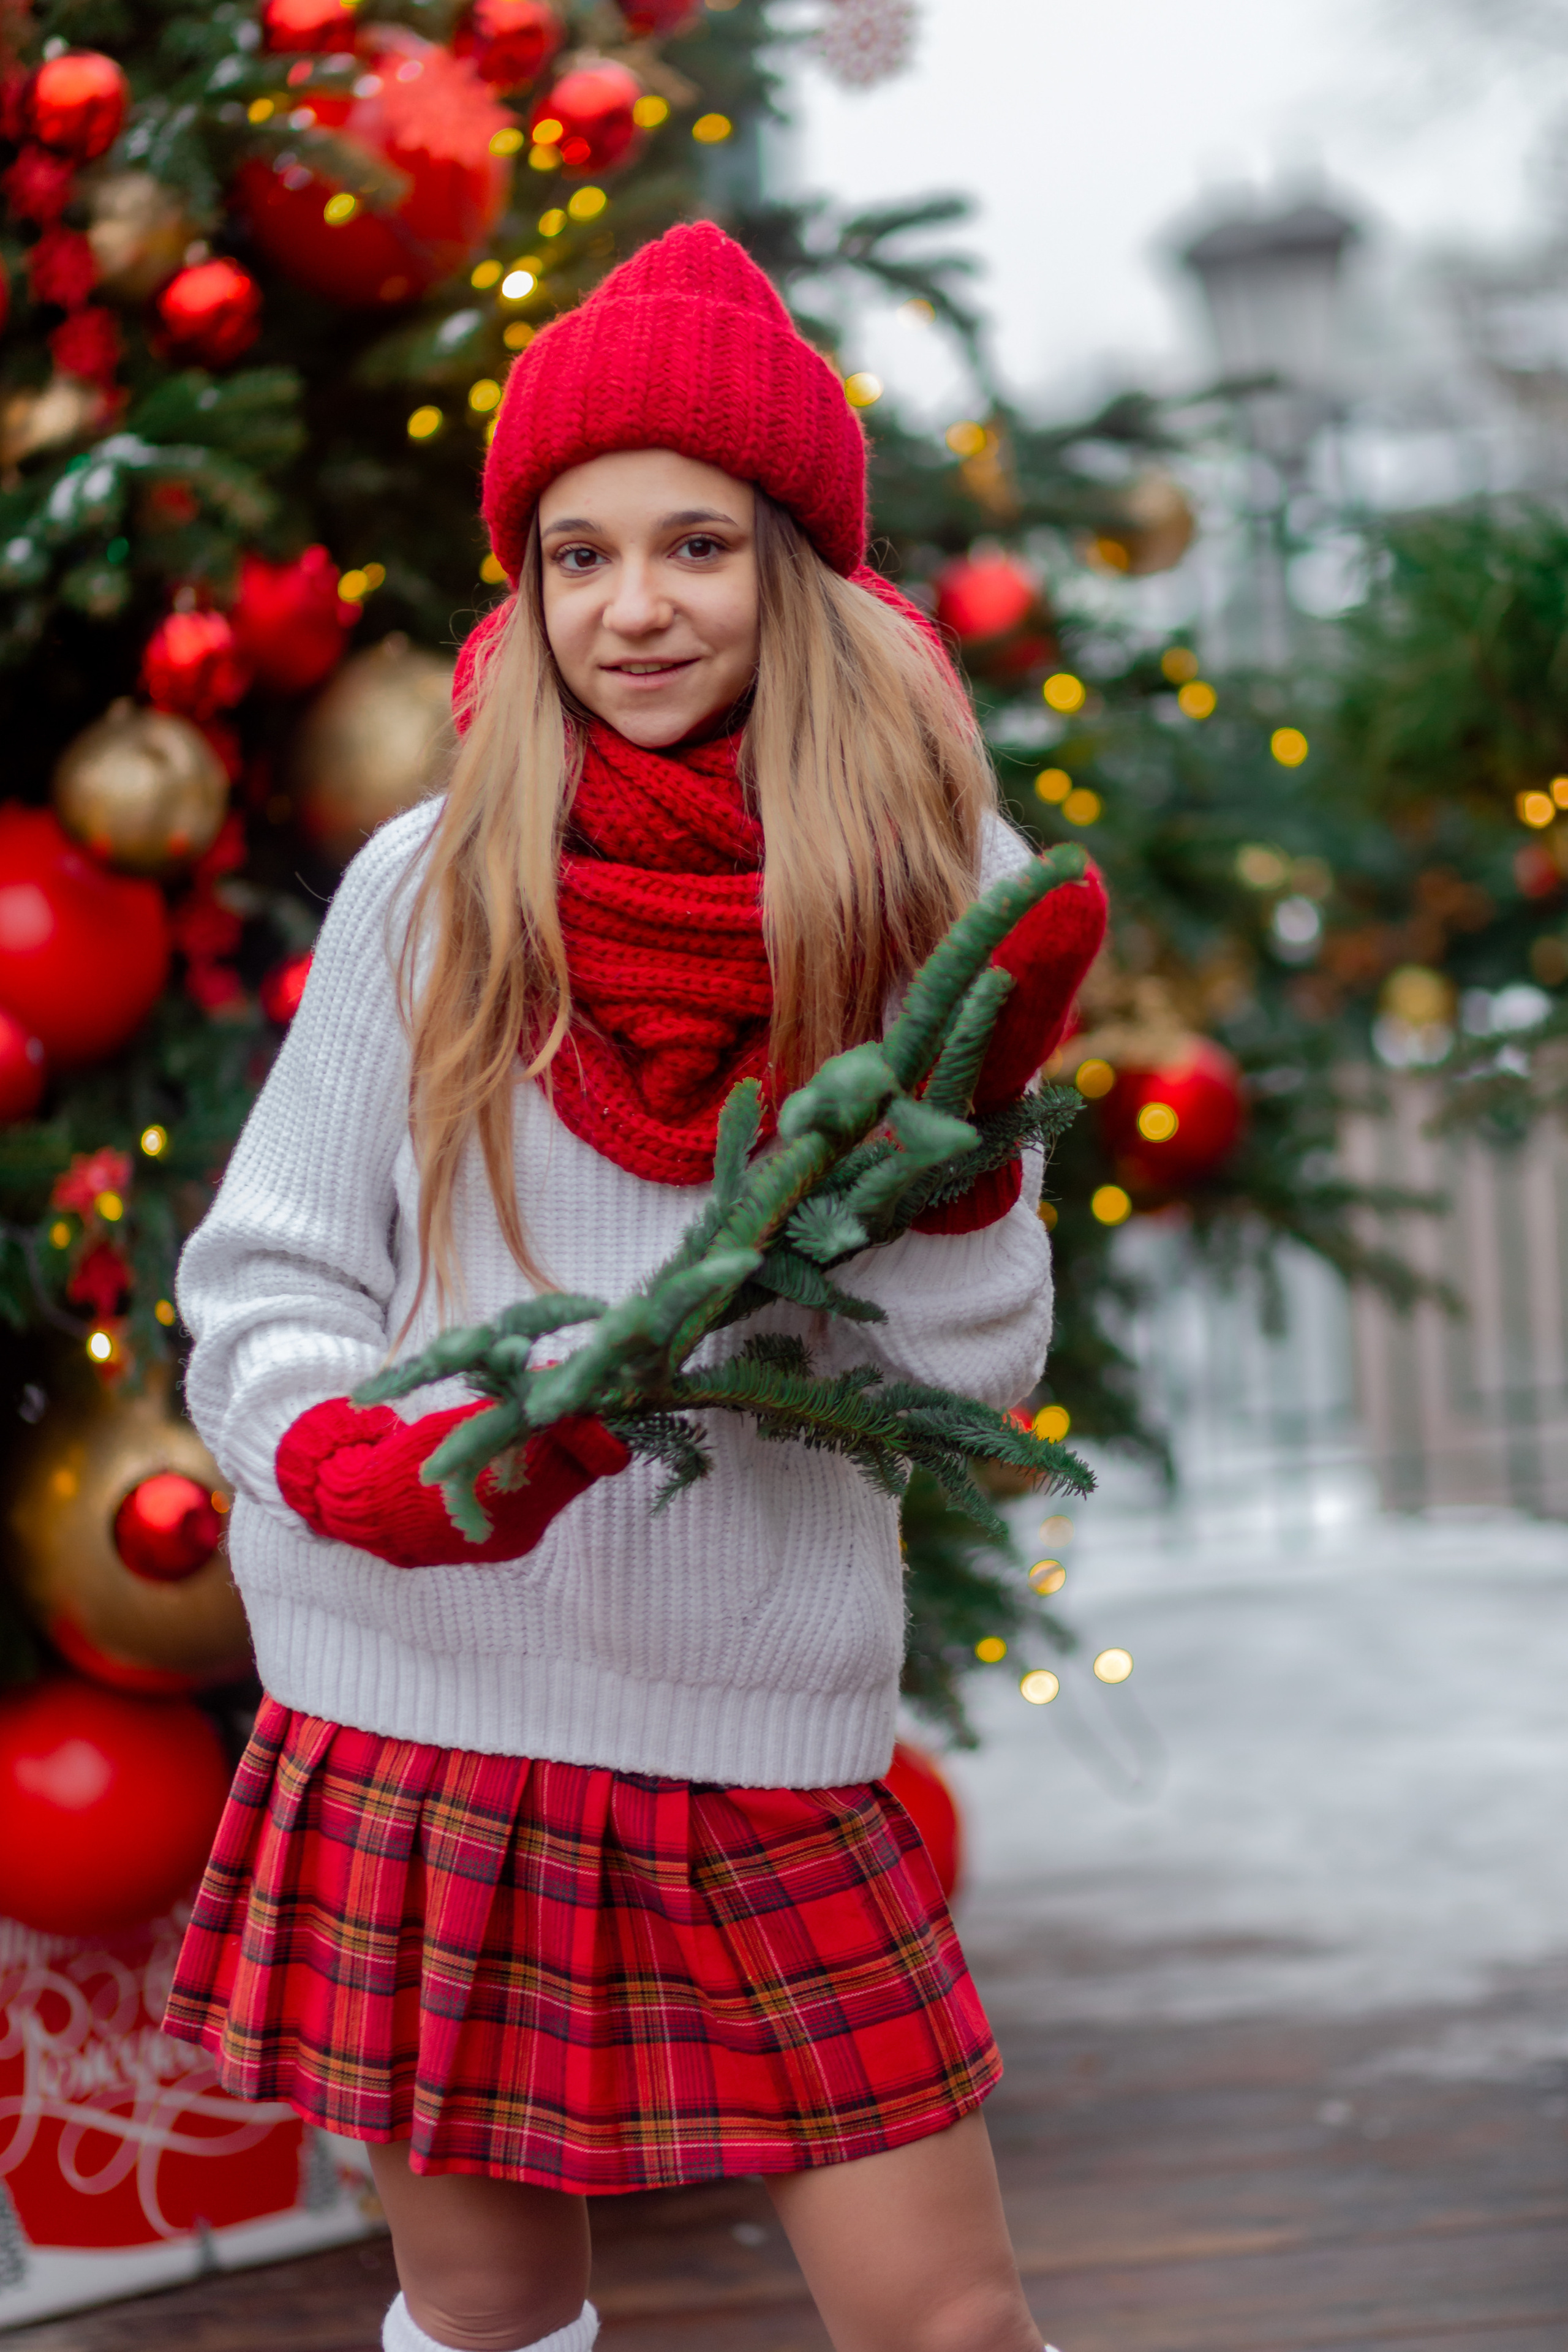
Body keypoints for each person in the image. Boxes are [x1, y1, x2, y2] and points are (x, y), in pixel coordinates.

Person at [163, 221, 1106, 2352]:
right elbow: (269, 1274)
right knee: (488, 2310)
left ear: (798, 566)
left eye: (693, 544)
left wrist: (955, 1177)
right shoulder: (441, 880)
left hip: (751, 1706)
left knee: (943, 2314)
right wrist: (353, 1453)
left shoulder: (916, 886)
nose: (633, 607)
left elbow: (970, 1369)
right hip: (429, 1685)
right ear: (527, 586)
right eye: (577, 557)